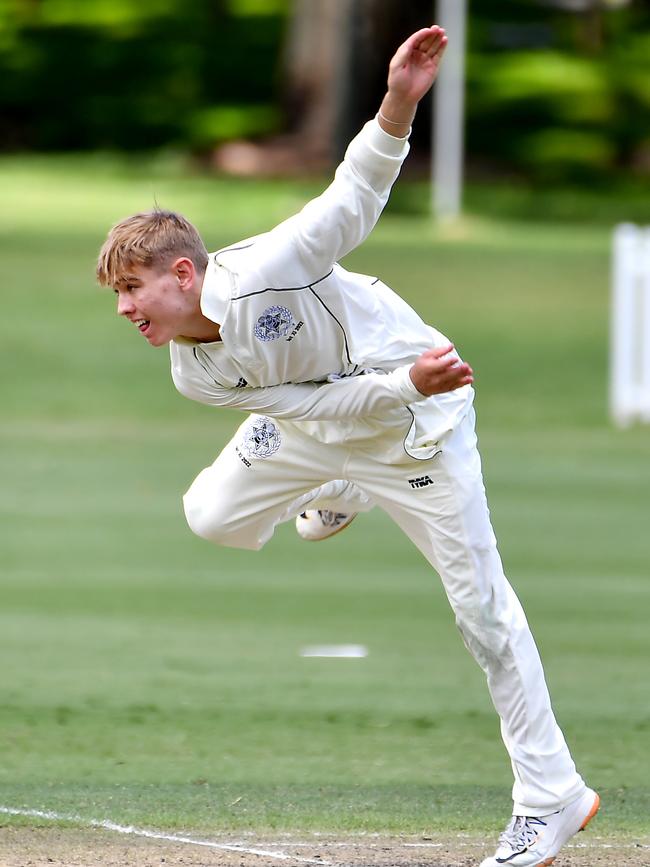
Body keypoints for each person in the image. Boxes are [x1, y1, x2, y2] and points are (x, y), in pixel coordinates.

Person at [96, 25, 598, 867]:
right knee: (210, 514)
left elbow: (355, 191)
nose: (124, 310)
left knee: (482, 612)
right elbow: (306, 405)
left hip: (419, 422)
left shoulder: (271, 268)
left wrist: (400, 97)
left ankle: (551, 797)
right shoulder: (193, 371)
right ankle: (338, 490)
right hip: (326, 420)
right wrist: (362, 415)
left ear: (184, 273)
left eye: (132, 288)